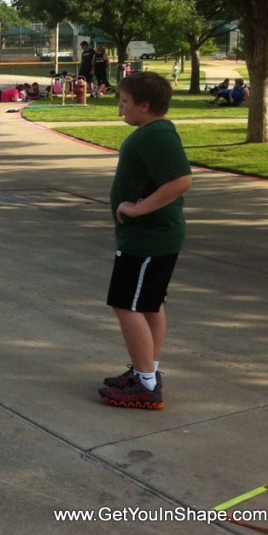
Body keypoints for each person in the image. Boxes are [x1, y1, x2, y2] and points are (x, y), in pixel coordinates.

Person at [99, 71, 192, 410]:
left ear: (145, 105)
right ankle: (147, 371)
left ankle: (144, 384)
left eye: (124, 102)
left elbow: (181, 181)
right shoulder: (154, 132)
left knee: (126, 304)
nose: (120, 107)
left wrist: (137, 210)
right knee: (150, 303)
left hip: (147, 239)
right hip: (155, 237)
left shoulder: (154, 136)